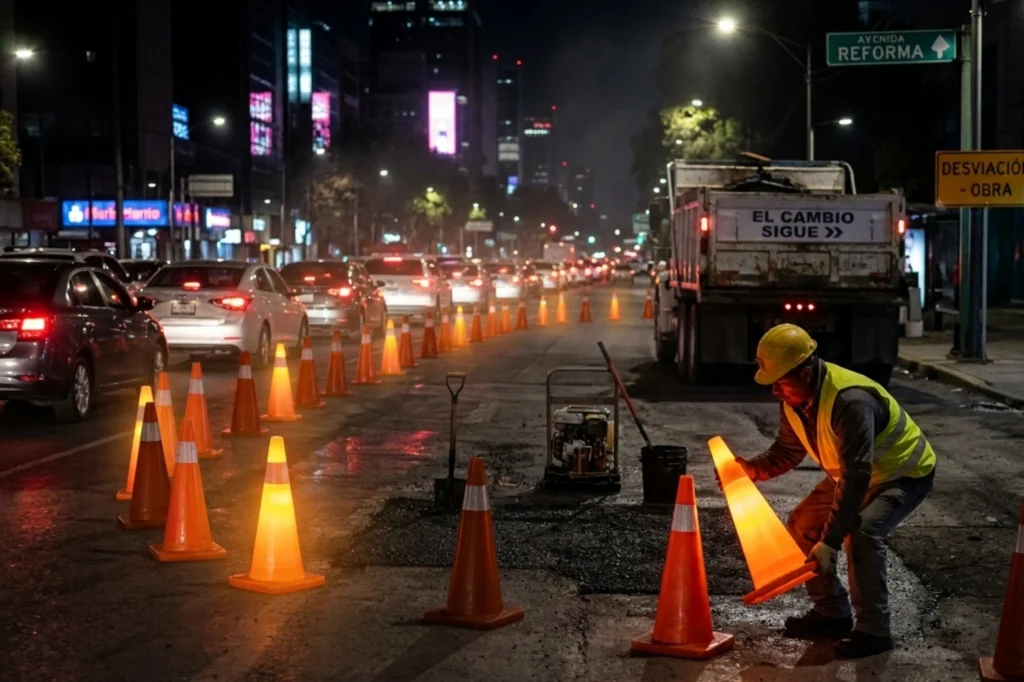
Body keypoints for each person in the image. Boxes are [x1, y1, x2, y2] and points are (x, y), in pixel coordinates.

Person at [736, 323, 936, 659]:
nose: (776, 392)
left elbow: (857, 475)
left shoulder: (850, 401)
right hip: (853, 474)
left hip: (902, 474)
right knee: (802, 523)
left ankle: (874, 631)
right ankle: (831, 613)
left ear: (806, 371)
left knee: (862, 533)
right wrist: (752, 469)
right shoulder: (794, 401)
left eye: (781, 383)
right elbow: (787, 451)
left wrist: (829, 542)